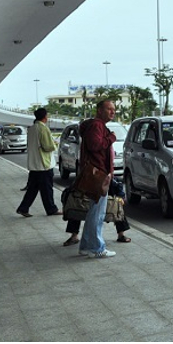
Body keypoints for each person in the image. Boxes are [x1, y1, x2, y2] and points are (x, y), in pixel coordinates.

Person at [78, 100, 117, 258]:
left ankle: (86, 246)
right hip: (98, 174)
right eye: (109, 109)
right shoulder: (97, 125)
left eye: (114, 109)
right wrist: (111, 138)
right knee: (97, 213)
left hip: (98, 173)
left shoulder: (96, 125)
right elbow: (95, 145)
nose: (112, 112)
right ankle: (96, 248)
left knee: (94, 211)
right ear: (99, 110)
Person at [16, 108, 61, 217]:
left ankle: (23, 208)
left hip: (34, 164)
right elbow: (48, 146)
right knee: (47, 190)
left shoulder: (31, 129)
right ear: (45, 117)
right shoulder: (43, 128)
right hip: (43, 165)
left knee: (32, 189)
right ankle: (51, 209)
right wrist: (55, 144)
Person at [64, 177, 131, 247]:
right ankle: (74, 235)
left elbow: (119, 191)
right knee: (76, 207)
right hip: (88, 192)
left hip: (105, 186)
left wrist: (120, 198)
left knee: (118, 207)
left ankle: (121, 234)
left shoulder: (112, 181)